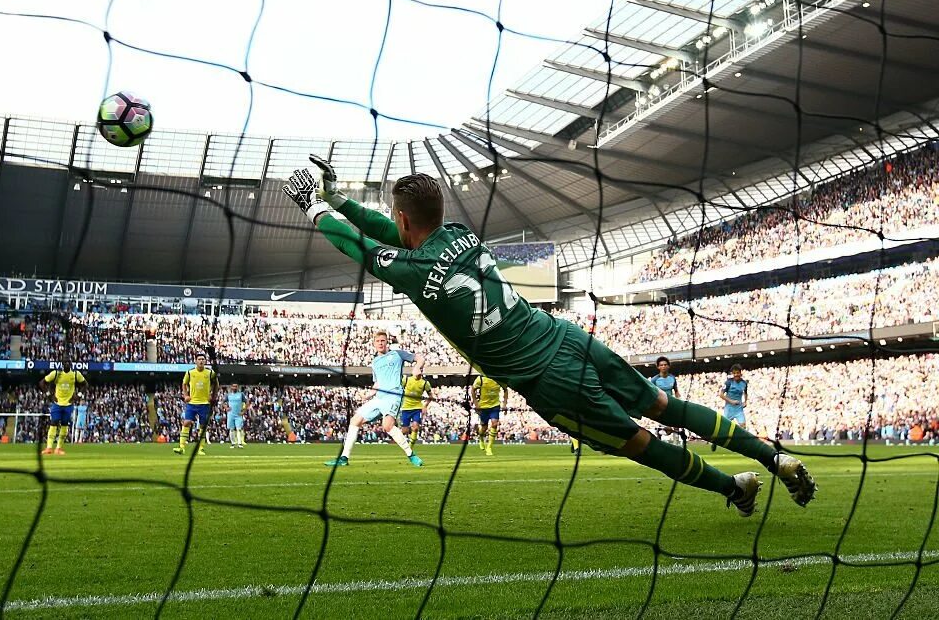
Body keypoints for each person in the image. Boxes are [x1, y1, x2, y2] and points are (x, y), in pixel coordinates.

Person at [284, 156, 817, 516]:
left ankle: (734, 487)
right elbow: (382, 228)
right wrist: (336, 196)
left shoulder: (415, 272)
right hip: (563, 335)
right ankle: (774, 458)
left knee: (639, 442)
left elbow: (357, 242)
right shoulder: (461, 233)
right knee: (663, 405)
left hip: (547, 378)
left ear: (402, 217)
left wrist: (316, 206)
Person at [324, 331, 425, 467]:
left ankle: (411, 455)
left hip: (393, 395)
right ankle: (344, 458)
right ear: (374, 344)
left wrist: (417, 367)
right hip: (379, 397)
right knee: (355, 420)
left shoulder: (397, 354)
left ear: (386, 342)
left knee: (387, 426)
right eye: (378, 341)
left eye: (383, 341)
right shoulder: (375, 362)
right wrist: (367, 394)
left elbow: (420, 358)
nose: (380, 343)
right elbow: (377, 383)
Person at [39, 360, 87, 456]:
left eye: (68, 362)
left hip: (68, 404)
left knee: (65, 425)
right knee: (54, 423)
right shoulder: (56, 373)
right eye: (65, 362)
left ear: (71, 364)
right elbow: (42, 383)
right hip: (57, 403)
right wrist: (49, 395)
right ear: (62, 364)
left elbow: (85, 384)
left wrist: (78, 395)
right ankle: (49, 447)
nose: (67, 363)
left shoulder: (75, 374)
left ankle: (58, 448)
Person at [174, 353, 218, 456]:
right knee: (186, 422)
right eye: (199, 359)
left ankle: (201, 448)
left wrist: (213, 396)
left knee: (203, 426)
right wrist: (185, 396)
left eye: (203, 359)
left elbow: (216, 383)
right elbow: (184, 384)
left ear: (205, 361)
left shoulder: (210, 372)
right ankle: (181, 447)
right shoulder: (190, 372)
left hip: (204, 404)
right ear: (196, 361)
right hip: (192, 403)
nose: (201, 361)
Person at [471, 375, 508, 456]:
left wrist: (504, 404)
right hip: (483, 407)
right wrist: (476, 404)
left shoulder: (499, 378)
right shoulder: (480, 379)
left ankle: (489, 447)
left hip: (495, 405)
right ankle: (481, 438)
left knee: (494, 424)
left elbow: (505, 390)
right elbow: (473, 390)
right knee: (484, 428)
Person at [400, 373, 433, 449]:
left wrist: (425, 406)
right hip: (406, 408)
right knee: (405, 430)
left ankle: (410, 447)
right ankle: (400, 442)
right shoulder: (406, 379)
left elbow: (431, 396)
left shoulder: (425, 383)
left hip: (417, 408)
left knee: (415, 427)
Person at [719, 364, 749, 430]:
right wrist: (731, 401)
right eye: (734, 373)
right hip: (729, 409)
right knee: (725, 427)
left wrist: (745, 401)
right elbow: (721, 394)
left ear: (740, 373)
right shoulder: (728, 382)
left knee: (743, 427)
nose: (736, 375)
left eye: (737, 373)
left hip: (739, 409)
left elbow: (745, 393)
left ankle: (741, 440)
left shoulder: (744, 383)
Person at [226, 383, 247, 449]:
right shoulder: (228, 395)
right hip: (231, 414)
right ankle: (233, 443)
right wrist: (226, 407)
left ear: (237, 387)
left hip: (238, 415)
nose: (234, 388)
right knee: (231, 429)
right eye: (233, 386)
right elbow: (223, 402)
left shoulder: (241, 394)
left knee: (239, 429)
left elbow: (247, 402)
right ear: (231, 387)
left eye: (236, 386)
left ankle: (240, 443)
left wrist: (243, 411)